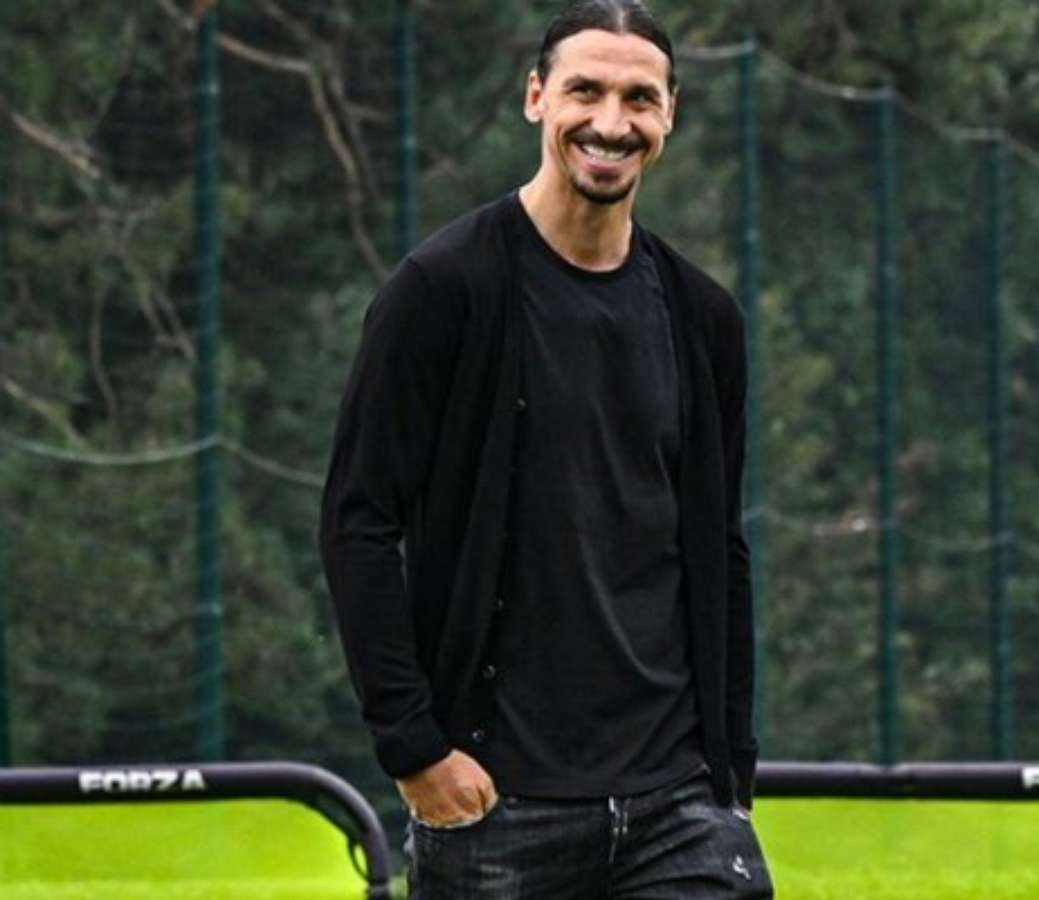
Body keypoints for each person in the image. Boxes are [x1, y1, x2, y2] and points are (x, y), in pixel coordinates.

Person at [318, 1, 773, 896]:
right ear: (536, 98)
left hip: (678, 801)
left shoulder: (703, 317)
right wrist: (415, 749)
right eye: (584, 91)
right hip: (497, 803)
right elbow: (358, 524)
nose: (611, 123)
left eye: (639, 99)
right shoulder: (440, 291)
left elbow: (720, 552)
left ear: (670, 115)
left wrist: (731, 766)